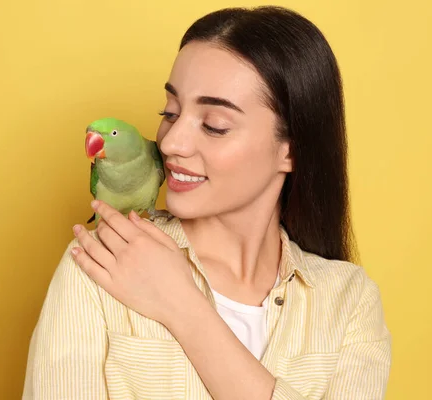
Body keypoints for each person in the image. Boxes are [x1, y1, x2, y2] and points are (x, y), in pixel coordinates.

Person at [22, 5, 391, 400]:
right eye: (171, 112)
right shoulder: (102, 262)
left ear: (290, 152)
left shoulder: (349, 303)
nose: (169, 143)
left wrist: (184, 307)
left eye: (214, 125)